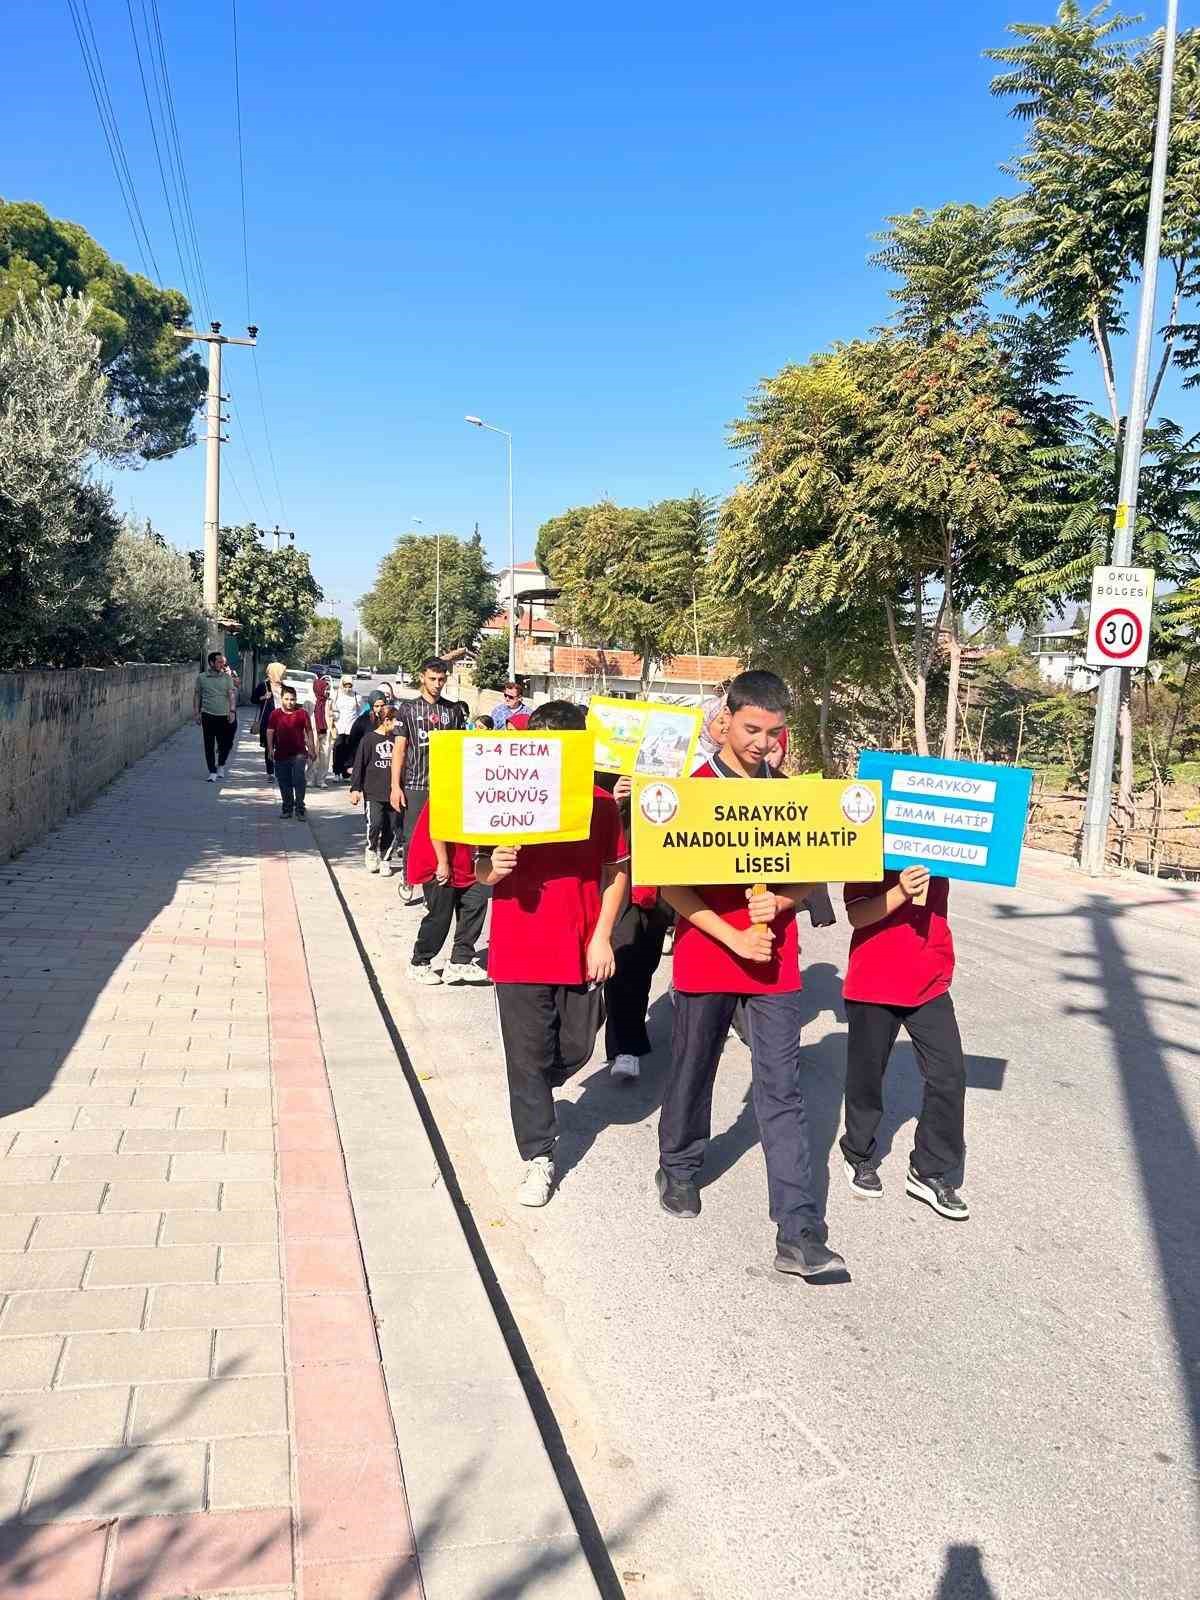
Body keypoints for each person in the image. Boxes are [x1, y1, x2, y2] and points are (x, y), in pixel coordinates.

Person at [655, 669, 845, 1280]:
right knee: (693, 1066)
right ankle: (680, 1165)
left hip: (775, 965)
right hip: (708, 955)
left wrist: (784, 902)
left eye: (775, 731)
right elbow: (672, 888)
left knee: (782, 1090)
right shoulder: (692, 791)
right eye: (752, 728)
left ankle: (798, 1227)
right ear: (727, 720)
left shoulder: (793, 796)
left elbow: (816, 875)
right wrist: (732, 931)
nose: (764, 742)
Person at [476, 701, 629, 1207]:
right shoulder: (500, 797)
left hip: (582, 947)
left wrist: (602, 935)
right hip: (519, 950)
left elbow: (616, 874)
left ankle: (543, 1085)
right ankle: (539, 1153)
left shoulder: (601, 804)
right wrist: (493, 867)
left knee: (575, 1048)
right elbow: (478, 872)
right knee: (526, 1058)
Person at [839, 865, 969, 1220]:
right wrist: (900, 891)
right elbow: (857, 915)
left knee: (950, 1075)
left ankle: (929, 1170)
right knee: (867, 1075)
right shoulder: (872, 848)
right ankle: (858, 1153)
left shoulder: (938, 846)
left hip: (929, 981)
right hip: (873, 981)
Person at [390, 658, 465, 906]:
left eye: (441, 679)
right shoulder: (408, 710)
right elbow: (399, 750)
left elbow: (461, 749)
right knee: (412, 837)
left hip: (445, 785)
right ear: (422, 677)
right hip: (416, 783)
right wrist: (395, 786)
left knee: (442, 836)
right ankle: (408, 877)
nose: (437, 684)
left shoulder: (453, 711)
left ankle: (432, 886)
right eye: (432, 679)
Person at [405, 802, 490, 985]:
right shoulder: (448, 786)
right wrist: (442, 861)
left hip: (464, 859)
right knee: (440, 916)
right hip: (438, 858)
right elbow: (436, 823)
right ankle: (419, 962)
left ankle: (460, 960)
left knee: (477, 901)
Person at [349, 699, 400, 875]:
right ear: (387, 721)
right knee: (375, 824)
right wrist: (355, 788)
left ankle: (386, 859)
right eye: (396, 721)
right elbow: (359, 765)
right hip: (373, 792)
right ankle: (371, 851)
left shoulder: (398, 740)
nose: (398, 725)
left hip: (393, 793)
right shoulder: (369, 739)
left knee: (391, 828)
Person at [266, 684, 316, 819]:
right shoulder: (275, 714)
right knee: (284, 782)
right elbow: (270, 731)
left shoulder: (302, 713)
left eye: (292, 699)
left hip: (299, 754)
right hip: (281, 754)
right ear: (282, 699)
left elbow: (309, 731)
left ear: (296, 699)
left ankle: (300, 808)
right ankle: (287, 808)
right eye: (287, 699)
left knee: (299, 779)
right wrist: (270, 748)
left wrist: (312, 748)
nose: (290, 702)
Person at [194, 651, 237, 782]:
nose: (222, 664)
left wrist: (232, 711)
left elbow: (231, 694)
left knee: (226, 743)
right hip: (208, 715)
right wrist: (196, 713)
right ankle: (212, 771)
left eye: (223, 662)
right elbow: (197, 695)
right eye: (219, 662)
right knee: (209, 744)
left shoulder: (227, 677)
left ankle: (221, 764)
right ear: (211, 663)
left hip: (224, 715)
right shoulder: (202, 678)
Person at [252, 662, 288, 778]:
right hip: (268, 721)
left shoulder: (285, 687)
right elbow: (253, 699)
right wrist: (264, 697)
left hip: (283, 721)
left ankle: (280, 769)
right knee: (269, 747)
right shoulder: (264, 685)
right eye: (282, 672)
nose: (284, 674)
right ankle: (270, 772)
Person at [330, 674, 360, 781]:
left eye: (350, 686)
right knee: (338, 749)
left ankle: (346, 774)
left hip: (351, 727)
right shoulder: (336, 694)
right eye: (345, 686)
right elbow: (331, 708)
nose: (348, 688)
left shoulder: (356, 696)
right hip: (339, 727)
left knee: (349, 750)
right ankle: (336, 773)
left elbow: (360, 711)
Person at [312, 673, 331, 784]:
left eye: (328, 689)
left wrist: (333, 715)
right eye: (325, 689)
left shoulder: (329, 701)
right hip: (313, 732)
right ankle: (310, 778)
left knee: (325, 756)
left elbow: (336, 713)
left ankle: (321, 779)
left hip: (325, 732)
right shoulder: (310, 702)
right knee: (312, 756)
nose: (326, 692)